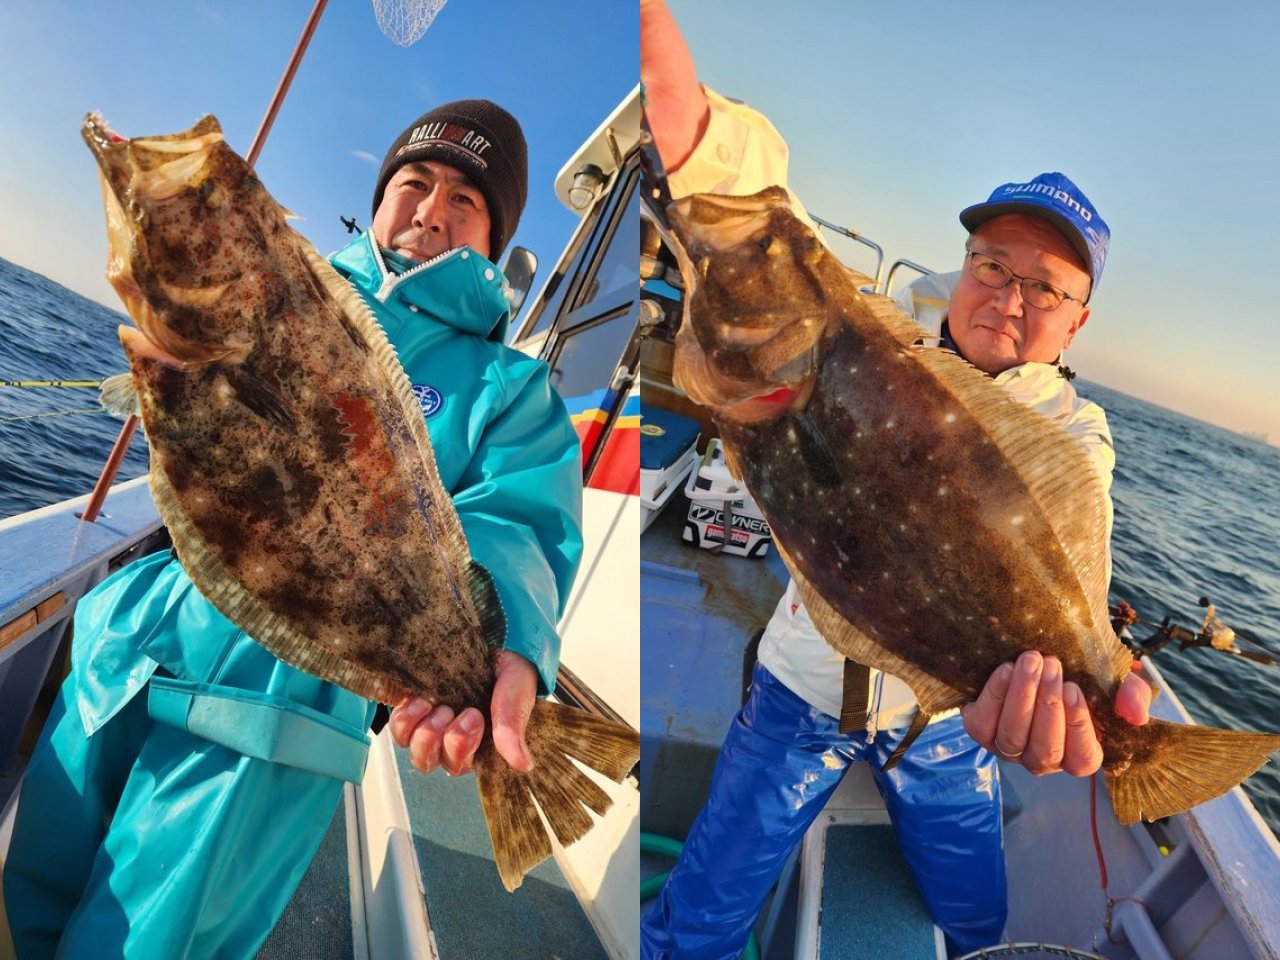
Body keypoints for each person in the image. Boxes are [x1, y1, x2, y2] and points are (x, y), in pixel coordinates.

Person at [3, 99, 584, 958]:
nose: (431, 210)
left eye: (466, 201)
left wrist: (506, 648)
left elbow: (514, 524)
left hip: (267, 725)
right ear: (381, 194)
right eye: (415, 182)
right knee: (26, 897)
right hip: (127, 648)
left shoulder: (509, 387)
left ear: (495, 239)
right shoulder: (294, 281)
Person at [639, 2, 1151, 956]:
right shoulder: (867, 330)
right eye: (993, 264)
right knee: (697, 919)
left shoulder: (1074, 432)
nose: (1009, 294)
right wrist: (687, 124)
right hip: (799, 690)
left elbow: (1071, 550)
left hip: (949, 724)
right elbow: (754, 213)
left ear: (1077, 322)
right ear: (960, 268)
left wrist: (1097, 684)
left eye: (1047, 286)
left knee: (976, 923)